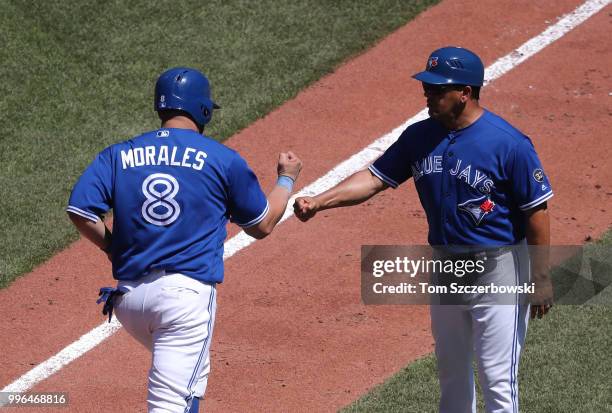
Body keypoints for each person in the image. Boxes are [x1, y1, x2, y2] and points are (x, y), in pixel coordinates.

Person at [294, 47, 553, 413]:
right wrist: (321, 200)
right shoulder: (419, 136)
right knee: (452, 374)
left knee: (497, 379)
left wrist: (540, 277)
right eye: (427, 88)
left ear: (464, 92)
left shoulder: (508, 143)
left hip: (500, 267)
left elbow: (536, 211)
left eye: (437, 89)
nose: (427, 95)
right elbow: (372, 179)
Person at [67, 67, 302, 413]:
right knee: (169, 404)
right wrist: (286, 180)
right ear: (203, 110)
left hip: (129, 301)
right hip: (182, 304)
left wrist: (112, 247)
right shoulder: (222, 159)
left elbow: (80, 210)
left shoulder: (119, 154)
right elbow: (263, 224)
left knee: (193, 379)